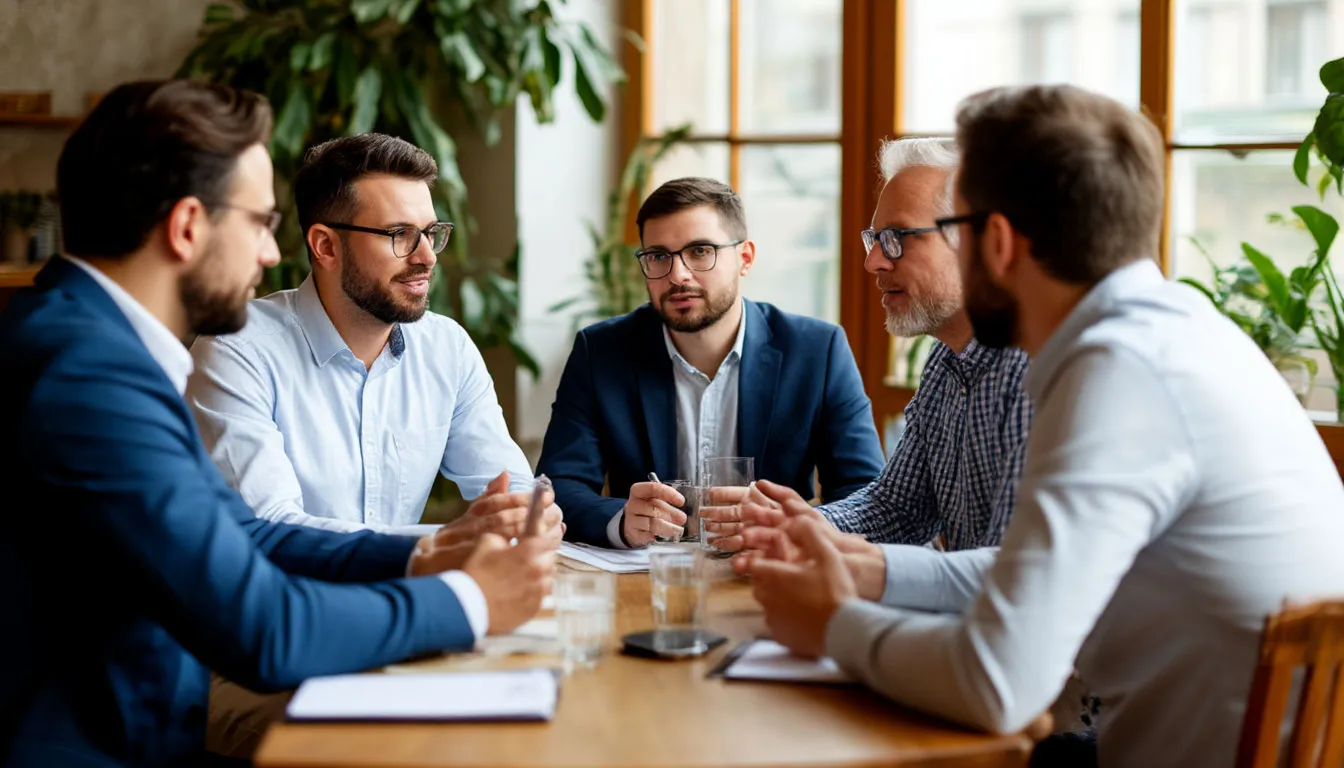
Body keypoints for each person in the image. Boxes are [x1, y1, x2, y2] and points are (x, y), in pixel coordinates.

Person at [745, 84, 1344, 768]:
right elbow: (1032, 573)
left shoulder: (1120, 370)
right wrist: (874, 567)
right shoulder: (1175, 332)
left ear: (995, 242)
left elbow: (997, 684)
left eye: (957, 231)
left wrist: (832, 626)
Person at [0, 80, 555, 768]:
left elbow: (245, 532)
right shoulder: (88, 376)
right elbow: (267, 627)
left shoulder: (90, 345)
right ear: (187, 227)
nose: (270, 253)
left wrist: (422, 554)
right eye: (260, 223)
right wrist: (469, 599)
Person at [187, 133, 561, 542]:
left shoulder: (446, 349)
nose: (427, 257)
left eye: (431, 232)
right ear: (326, 246)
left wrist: (528, 518)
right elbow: (272, 528)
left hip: (409, 595)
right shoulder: (235, 351)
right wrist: (446, 542)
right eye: (399, 234)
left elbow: (514, 494)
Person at [537, 177, 883, 548]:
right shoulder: (601, 351)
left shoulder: (818, 351)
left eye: (700, 251)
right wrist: (621, 520)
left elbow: (866, 493)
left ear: (745, 258)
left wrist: (788, 525)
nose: (678, 275)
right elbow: (558, 486)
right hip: (648, 579)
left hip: (774, 574)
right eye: (658, 256)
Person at [736, 138, 1030, 556]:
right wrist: (795, 524)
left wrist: (868, 573)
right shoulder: (946, 361)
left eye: (896, 237)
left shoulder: (1034, 369)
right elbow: (898, 508)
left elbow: (1010, 569)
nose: (873, 261)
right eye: (874, 239)